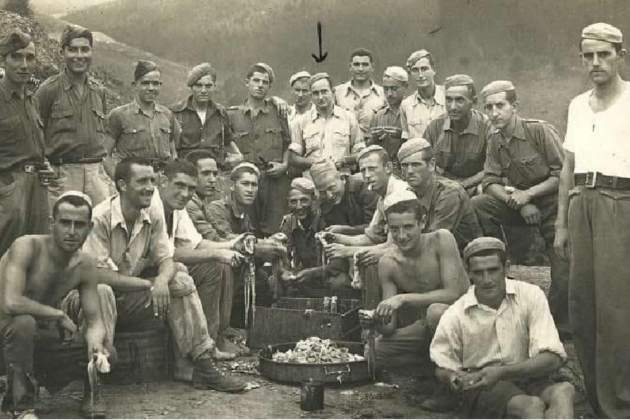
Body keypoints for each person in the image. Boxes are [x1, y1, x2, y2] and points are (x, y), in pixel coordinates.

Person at [82, 157, 246, 392]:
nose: (150, 187)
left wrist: (160, 280)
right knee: (103, 291)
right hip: (91, 301)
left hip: (130, 298)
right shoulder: (99, 217)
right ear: (121, 185)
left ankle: (202, 363)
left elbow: (166, 258)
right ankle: (95, 380)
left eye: (151, 180)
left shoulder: (151, 213)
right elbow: (97, 275)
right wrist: (148, 285)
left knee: (179, 279)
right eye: (142, 181)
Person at [555, 23, 630, 418]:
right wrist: (561, 226)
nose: (596, 63)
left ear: (620, 54)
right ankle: (598, 399)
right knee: (581, 303)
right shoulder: (577, 105)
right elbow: (568, 168)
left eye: (604, 54)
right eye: (588, 55)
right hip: (581, 202)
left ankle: (621, 401)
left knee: (616, 308)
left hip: (622, 203)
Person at [430, 237, 575, 418]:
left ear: (506, 268)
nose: (487, 279)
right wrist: (454, 377)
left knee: (563, 391)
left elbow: (553, 358)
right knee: (531, 405)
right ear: (469, 273)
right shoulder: (457, 313)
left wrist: (503, 372)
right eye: (479, 272)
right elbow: (442, 364)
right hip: (485, 384)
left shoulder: (530, 295)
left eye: (493, 270)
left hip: (529, 375)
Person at [0, 192, 113, 418]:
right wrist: (58, 315)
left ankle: (83, 392)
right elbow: (11, 302)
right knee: (23, 323)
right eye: (65, 223)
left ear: (89, 228)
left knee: (107, 351)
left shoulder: (85, 264)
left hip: (35, 341)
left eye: (79, 225)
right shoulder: (27, 246)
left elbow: (95, 321)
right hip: (6, 333)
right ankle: (20, 407)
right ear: (52, 223)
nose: (71, 231)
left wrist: (95, 343)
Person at [471, 80, 569, 332]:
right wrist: (518, 202)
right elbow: (490, 181)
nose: (494, 113)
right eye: (489, 107)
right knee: (480, 204)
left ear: (515, 106)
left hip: (554, 205)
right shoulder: (494, 139)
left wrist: (529, 195)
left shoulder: (539, 131)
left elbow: (563, 175)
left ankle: (554, 325)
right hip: (519, 203)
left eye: (500, 106)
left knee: (564, 276)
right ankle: (496, 263)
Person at [156, 159, 249, 357]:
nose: (185, 193)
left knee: (217, 265)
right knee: (213, 265)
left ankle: (212, 341)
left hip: (166, 268)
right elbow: (169, 253)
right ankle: (199, 349)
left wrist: (231, 245)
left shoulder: (178, 208)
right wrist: (218, 253)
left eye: (190, 188)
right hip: (152, 272)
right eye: (179, 186)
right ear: (163, 182)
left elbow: (196, 242)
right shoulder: (154, 206)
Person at [371, 192, 468, 373]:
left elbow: (453, 293)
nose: (401, 236)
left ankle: (442, 381)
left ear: (422, 223)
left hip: (464, 318)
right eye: (394, 229)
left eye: (408, 227)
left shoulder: (441, 240)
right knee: (374, 350)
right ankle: (428, 368)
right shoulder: (388, 263)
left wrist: (403, 299)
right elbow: (388, 327)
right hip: (425, 327)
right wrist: (377, 318)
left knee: (435, 312)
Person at [323, 145, 410, 308]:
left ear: (388, 168)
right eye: (363, 171)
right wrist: (340, 239)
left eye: (372, 169)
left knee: (369, 262)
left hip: (411, 259)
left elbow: (394, 247)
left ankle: (375, 321)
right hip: (400, 255)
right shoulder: (384, 195)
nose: (367, 175)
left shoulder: (399, 195)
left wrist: (347, 251)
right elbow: (371, 236)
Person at [36, 25, 111, 208]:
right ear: (62, 52)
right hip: (62, 175)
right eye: (73, 49)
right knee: (61, 232)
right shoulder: (49, 90)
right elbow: (34, 133)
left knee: (99, 230)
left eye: (85, 49)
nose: (79, 55)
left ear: (91, 52)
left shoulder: (99, 91)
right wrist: (44, 165)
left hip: (95, 176)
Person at [0, 30, 52, 257]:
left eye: (29, 58)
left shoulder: (32, 99)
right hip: (10, 188)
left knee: (36, 251)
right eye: (16, 57)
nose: (24, 64)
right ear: (3, 60)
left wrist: (45, 164)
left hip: (37, 186)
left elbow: (32, 145)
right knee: (7, 252)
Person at [227, 62, 290, 237]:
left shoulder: (278, 113)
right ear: (247, 82)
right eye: (256, 80)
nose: (260, 85)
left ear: (270, 86)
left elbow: (287, 143)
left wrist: (284, 165)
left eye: (265, 82)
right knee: (247, 227)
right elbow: (226, 145)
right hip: (246, 181)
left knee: (274, 227)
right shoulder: (232, 115)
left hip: (273, 181)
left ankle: (274, 263)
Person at [398, 138, 481, 250]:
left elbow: (434, 240)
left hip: (464, 257)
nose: (410, 171)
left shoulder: (449, 192)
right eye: (404, 165)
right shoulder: (407, 193)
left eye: (416, 165)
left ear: (431, 165)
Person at [276, 177, 350, 296]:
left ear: (314, 200)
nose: (299, 206)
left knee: (339, 282)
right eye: (293, 201)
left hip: (325, 275)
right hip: (304, 276)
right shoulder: (288, 223)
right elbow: (283, 256)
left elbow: (340, 264)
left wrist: (313, 273)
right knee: (275, 281)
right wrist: (285, 272)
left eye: (304, 200)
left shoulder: (327, 220)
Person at [105, 60, 181, 175]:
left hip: (162, 178)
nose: (151, 88)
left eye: (155, 83)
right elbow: (106, 155)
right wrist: (118, 180)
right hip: (133, 178)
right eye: (145, 83)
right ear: (135, 85)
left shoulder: (167, 115)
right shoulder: (119, 115)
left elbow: (172, 152)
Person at [423, 74, 490, 195]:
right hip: (443, 186)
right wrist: (447, 185)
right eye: (449, 100)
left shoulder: (486, 127)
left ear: (473, 101)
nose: (452, 107)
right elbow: (425, 163)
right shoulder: (435, 127)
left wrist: (463, 185)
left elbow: (492, 167)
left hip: (475, 186)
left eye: (459, 100)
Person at [170, 63, 242, 168]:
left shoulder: (220, 113)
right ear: (191, 87)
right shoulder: (176, 113)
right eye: (199, 85)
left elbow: (228, 140)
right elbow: (170, 146)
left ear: (214, 87)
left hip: (215, 172)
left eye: (208, 86)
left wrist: (238, 156)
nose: (203, 91)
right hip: (186, 172)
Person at [289, 72, 363, 175]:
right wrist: (315, 163)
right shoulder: (301, 121)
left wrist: (343, 161)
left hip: (341, 177)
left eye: (324, 92)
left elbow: (360, 152)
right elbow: (293, 157)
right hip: (312, 179)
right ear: (311, 95)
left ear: (332, 92)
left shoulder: (348, 118)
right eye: (315, 93)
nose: (320, 97)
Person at [310, 159, 378, 235]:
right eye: (322, 191)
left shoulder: (364, 187)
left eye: (331, 188)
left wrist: (345, 230)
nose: (329, 195)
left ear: (342, 179)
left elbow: (375, 227)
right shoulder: (323, 201)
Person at [334, 48, 386, 139]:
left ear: (372, 67)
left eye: (365, 65)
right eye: (356, 64)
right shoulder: (337, 93)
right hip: (344, 146)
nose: (360, 69)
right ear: (350, 67)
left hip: (373, 145)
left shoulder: (383, 94)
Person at [368, 66, 408, 174]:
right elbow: (371, 150)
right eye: (386, 89)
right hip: (385, 171)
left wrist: (402, 135)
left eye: (394, 89)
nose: (389, 94)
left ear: (405, 87)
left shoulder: (411, 112)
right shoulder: (379, 115)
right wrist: (373, 139)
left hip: (408, 169)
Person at [400, 49, 445, 140]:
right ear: (410, 74)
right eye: (415, 70)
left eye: (424, 69)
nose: (420, 75)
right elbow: (405, 139)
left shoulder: (449, 97)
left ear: (434, 70)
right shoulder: (406, 105)